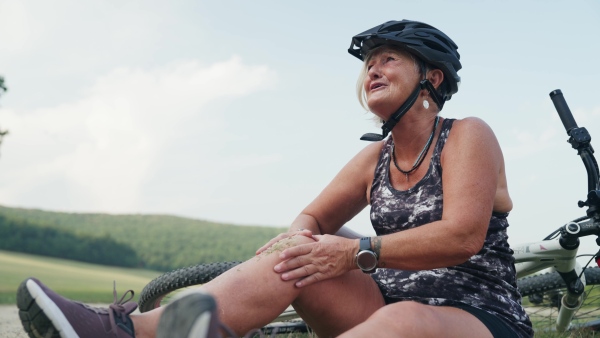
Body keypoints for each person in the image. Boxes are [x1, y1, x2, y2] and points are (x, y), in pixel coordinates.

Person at [16, 20, 534, 338]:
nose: (371, 71)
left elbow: (463, 236)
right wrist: (300, 242)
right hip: (381, 306)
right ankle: (132, 332)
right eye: (368, 65)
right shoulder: (375, 158)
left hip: (476, 317)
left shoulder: (466, 135)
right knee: (297, 250)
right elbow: (311, 218)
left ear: (432, 78)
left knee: (402, 325)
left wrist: (354, 252)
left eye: (388, 60)